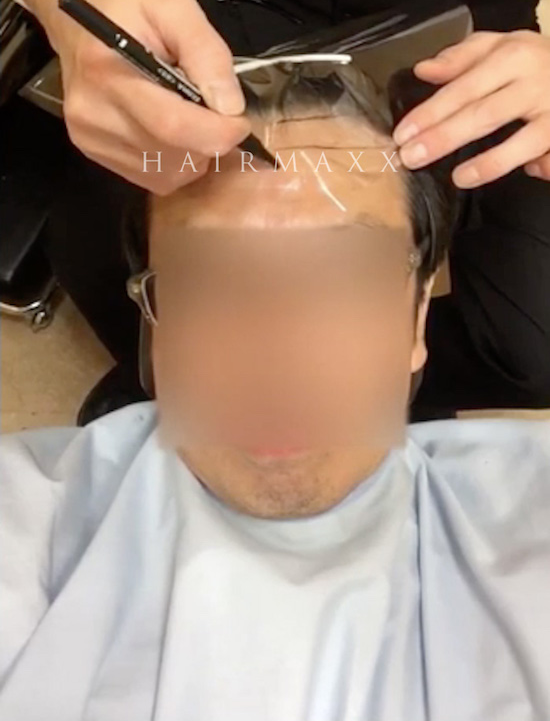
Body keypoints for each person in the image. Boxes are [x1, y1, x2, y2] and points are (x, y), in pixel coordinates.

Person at [1, 0, 550, 420]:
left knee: (534, 340)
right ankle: (159, 381)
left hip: (475, 44)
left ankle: (370, 402)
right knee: (96, 225)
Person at [1, 60, 549, 720]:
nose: (279, 354)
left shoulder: (527, 517)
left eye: (342, 275)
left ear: (417, 320)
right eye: (211, 279)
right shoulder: (32, 525)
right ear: (152, 316)